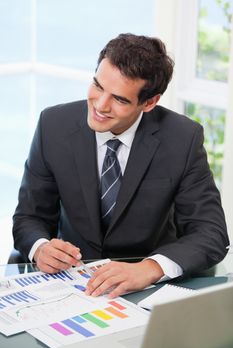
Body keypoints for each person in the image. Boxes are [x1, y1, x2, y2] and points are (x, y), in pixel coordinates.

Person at [12, 33, 229, 298]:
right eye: (98, 86)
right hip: (72, 284)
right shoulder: (52, 125)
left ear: (149, 102)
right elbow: (29, 217)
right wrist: (40, 247)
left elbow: (211, 233)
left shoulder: (183, 138)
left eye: (120, 99)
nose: (100, 105)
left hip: (146, 289)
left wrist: (149, 268)